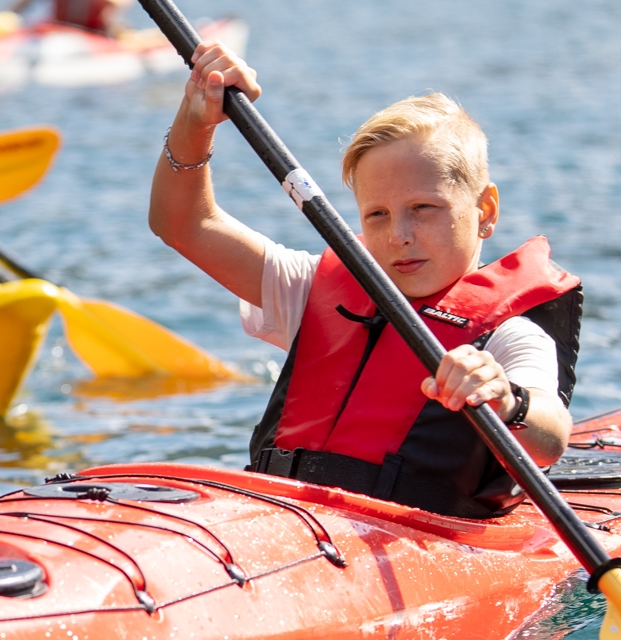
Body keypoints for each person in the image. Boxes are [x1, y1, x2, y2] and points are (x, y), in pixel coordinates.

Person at [148, 43, 582, 519]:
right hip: (281, 524)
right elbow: (183, 224)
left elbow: (549, 439)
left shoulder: (508, 339)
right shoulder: (312, 288)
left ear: (485, 211)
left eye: (423, 209)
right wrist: (197, 119)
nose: (399, 236)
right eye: (377, 215)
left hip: (411, 549)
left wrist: (505, 398)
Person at [8, 0, 130, 37]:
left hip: (94, 32)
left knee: (118, 26)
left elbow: (122, 4)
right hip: (59, 31)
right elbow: (18, 7)